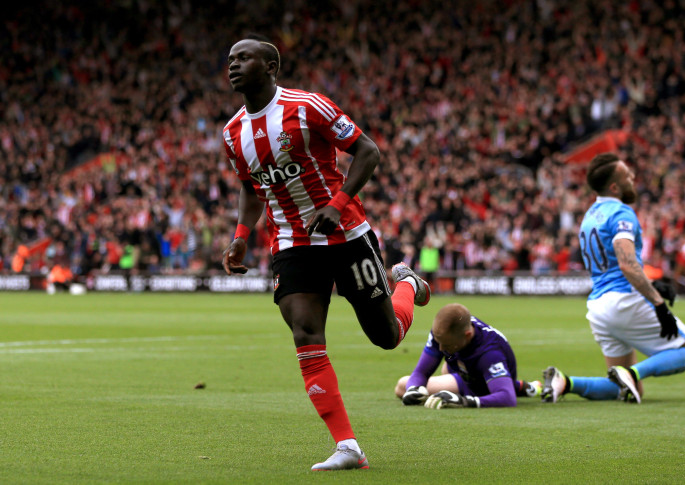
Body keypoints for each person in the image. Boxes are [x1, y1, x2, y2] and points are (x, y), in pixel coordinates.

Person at [220, 35, 431, 471]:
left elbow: (368, 152)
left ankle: (407, 282)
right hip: (291, 244)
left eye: (244, 58)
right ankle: (348, 446)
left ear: (271, 66)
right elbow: (250, 188)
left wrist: (336, 205)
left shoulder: (308, 106)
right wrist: (242, 233)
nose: (234, 65)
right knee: (304, 331)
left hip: (346, 234)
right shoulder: (232, 132)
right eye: (230, 59)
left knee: (386, 338)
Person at [542, 153, 685, 404]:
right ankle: (631, 372)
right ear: (615, 187)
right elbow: (627, 265)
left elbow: (615, 264)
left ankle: (565, 383)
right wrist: (659, 304)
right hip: (625, 301)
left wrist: (651, 282)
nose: (633, 178)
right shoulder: (621, 212)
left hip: (598, 307)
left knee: (628, 388)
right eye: (627, 175)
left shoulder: (590, 215)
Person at [394, 303, 542, 409]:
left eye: (447, 344)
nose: (441, 348)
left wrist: (464, 401)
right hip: (465, 369)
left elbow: (508, 398)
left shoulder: (490, 353)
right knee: (409, 388)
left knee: (402, 386)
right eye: (439, 342)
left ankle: (513, 386)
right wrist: (414, 389)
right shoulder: (443, 333)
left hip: (481, 386)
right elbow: (421, 372)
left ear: (468, 335)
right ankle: (523, 387)